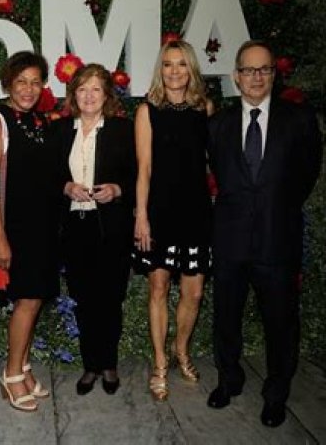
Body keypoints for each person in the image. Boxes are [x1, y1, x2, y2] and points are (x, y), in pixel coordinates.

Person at [206, 40, 322, 427]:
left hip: (278, 237)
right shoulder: (218, 124)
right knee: (226, 318)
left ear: (274, 74)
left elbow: (307, 174)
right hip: (230, 239)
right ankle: (229, 380)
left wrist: (277, 206)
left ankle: (276, 394)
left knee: (281, 323)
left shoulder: (299, 120)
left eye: (264, 69)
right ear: (236, 76)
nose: (256, 77)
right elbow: (221, 175)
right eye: (248, 70)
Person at [0, 51, 61, 412]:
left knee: (36, 299)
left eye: (35, 82)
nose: (28, 88)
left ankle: (23, 367)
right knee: (26, 301)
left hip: (44, 227)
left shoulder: (40, 121)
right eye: (21, 81)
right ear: (8, 83)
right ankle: (11, 375)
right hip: (16, 229)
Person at [133, 40, 214, 401]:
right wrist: (142, 216)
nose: (175, 71)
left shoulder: (204, 109)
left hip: (196, 212)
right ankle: (160, 362)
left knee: (194, 292)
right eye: (168, 64)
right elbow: (144, 169)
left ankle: (181, 350)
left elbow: (210, 165)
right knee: (159, 289)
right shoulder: (147, 111)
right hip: (160, 212)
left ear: (191, 68)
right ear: (160, 69)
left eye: (181, 64)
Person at [57, 64, 136, 396]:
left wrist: (117, 190)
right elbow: (46, 175)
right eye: (82, 89)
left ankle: (108, 364)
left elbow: (140, 175)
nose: (88, 96)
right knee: (84, 298)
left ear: (106, 96)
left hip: (111, 227)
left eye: (95, 89)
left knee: (110, 298)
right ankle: (90, 365)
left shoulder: (122, 130)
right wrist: (66, 187)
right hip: (75, 227)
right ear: (74, 95)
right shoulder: (61, 130)